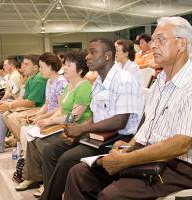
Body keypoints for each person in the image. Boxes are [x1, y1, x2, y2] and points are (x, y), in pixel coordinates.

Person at [64, 16, 192, 200]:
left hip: (179, 166)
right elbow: (148, 127)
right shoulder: (160, 81)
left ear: (181, 44)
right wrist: (127, 146)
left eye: (160, 39)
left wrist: (127, 159)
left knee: (111, 195)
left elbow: (181, 144)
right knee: (79, 174)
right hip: (146, 155)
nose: (152, 45)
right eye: (153, 39)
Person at [39, 38, 143, 200]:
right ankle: (53, 194)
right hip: (97, 135)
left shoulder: (125, 80)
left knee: (67, 159)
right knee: (50, 150)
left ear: (108, 55)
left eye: (92, 52)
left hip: (118, 139)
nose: (87, 56)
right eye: (88, 52)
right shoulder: (98, 82)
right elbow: (96, 116)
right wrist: (77, 133)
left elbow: (120, 121)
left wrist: (81, 129)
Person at [14, 50, 89, 193]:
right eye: (65, 64)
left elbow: (74, 117)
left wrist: (50, 121)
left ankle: (52, 182)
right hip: (63, 124)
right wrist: (46, 119)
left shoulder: (84, 87)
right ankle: (34, 177)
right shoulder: (69, 86)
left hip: (75, 128)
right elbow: (61, 108)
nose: (64, 68)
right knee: (32, 140)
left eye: (68, 65)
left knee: (43, 143)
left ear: (79, 69)